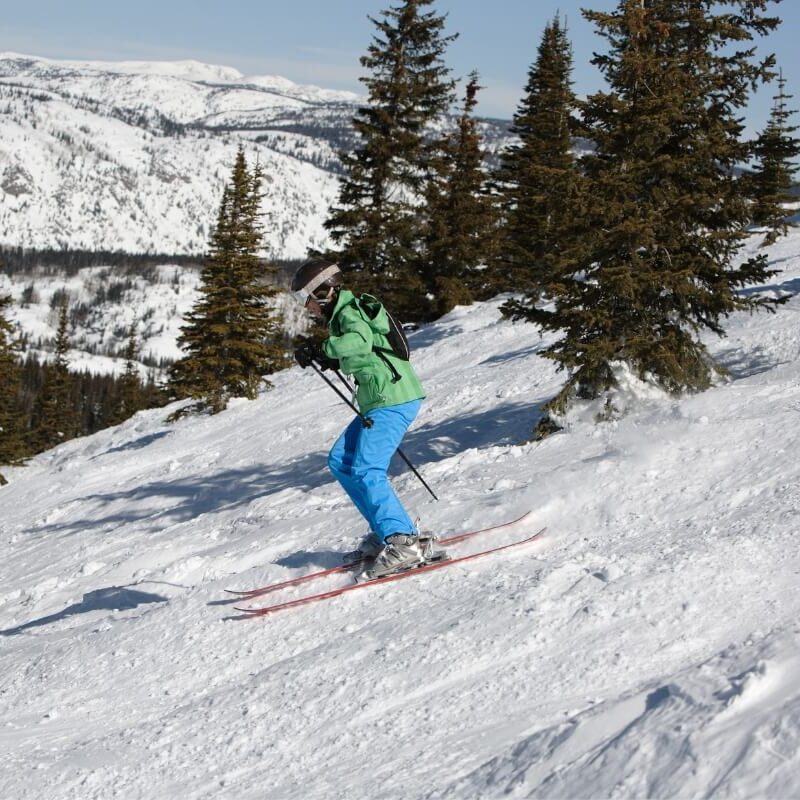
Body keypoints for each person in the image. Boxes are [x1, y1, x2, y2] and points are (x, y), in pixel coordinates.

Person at [291, 257, 427, 580]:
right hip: (378, 400)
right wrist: (329, 356)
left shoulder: (350, 313)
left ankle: (402, 540)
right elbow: (365, 351)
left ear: (322, 292)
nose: (305, 307)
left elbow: (360, 341)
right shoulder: (343, 315)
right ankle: (386, 532)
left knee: (366, 468)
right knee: (341, 460)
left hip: (394, 399)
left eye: (304, 299)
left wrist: (326, 348)